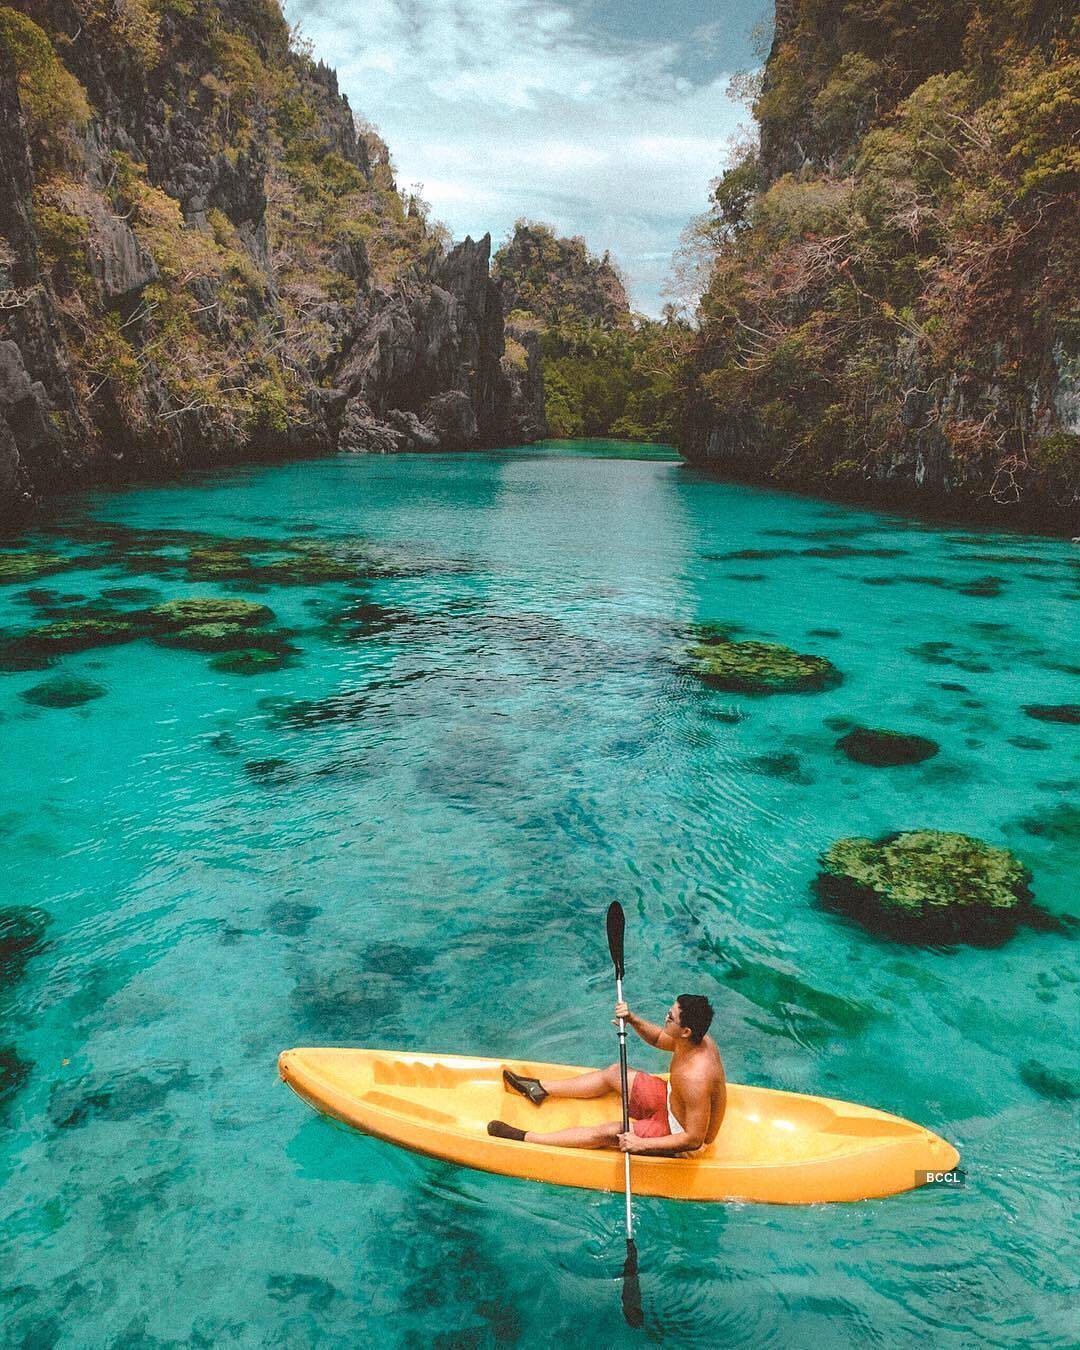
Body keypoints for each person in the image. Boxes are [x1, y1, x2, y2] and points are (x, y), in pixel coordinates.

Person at [487, 994, 726, 1155]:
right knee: (615, 1073)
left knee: (610, 1132)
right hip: (672, 1100)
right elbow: (657, 1038)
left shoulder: (695, 1077)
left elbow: (694, 1138)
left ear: (685, 1031)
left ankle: (528, 1139)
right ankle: (540, 1088)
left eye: (670, 1018)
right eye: (668, 1012)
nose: (666, 1018)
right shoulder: (691, 1039)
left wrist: (641, 1144)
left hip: (681, 1134)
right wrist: (632, 1020)